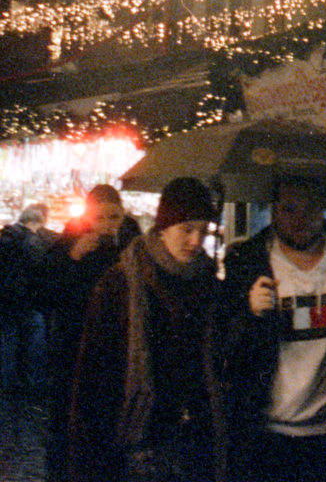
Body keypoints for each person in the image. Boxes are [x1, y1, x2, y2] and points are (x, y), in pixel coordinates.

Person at [220, 175, 326, 482]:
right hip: (265, 441)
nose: (300, 218)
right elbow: (224, 354)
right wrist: (248, 314)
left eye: (310, 208)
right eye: (289, 209)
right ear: (273, 211)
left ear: (323, 209)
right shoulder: (247, 265)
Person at [67, 177, 222, 482]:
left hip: (193, 440)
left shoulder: (210, 284)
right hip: (136, 442)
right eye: (186, 229)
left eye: (203, 231)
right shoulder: (122, 283)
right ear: (164, 226)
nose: (195, 241)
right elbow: (93, 378)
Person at [38, 186, 142, 481]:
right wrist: (72, 258)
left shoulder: (132, 247)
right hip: (74, 348)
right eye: (101, 217)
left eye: (115, 217)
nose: (108, 224)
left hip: (118, 352)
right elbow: (44, 295)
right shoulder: (68, 243)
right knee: (70, 425)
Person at [1, 205, 50, 395]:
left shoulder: (5, 236)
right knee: (35, 339)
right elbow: (39, 269)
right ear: (36, 222)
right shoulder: (32, 240)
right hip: (26, 299)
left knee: (7, 340)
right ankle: (34, 382)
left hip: (5, 298)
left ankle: (7, 382)